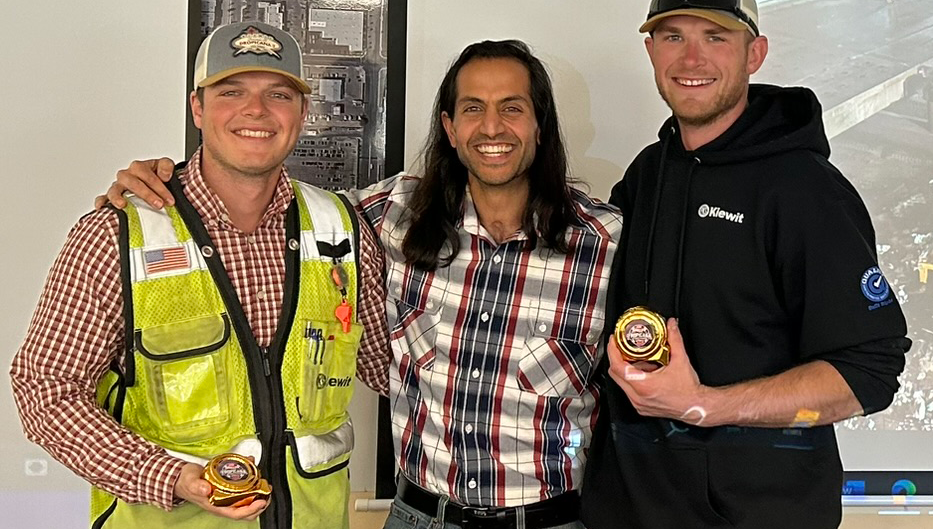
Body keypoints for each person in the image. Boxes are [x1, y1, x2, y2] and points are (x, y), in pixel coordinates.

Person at [101, 39, 623, 529]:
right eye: (471, 108)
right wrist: (163, 185)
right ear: (448, 125)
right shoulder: (388, 217)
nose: (492, 128)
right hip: (419, 514)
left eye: (512, 107)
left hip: (555, 517)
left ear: (540, 125)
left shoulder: (607, 242)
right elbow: (267, 202)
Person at [10, 21, 390, 529]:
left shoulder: (341, 229)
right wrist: (167, 475)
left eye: (278, 94)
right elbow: (45, 388)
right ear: (198, 108)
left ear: (302, 113)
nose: (256, 110)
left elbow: (393, 369)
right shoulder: (117, 235)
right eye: (231, 91)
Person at [580, 2, 911, 528]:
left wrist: (703, 404)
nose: (691, 57)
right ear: (650, 51)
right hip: (626, 511)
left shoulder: (805, 191)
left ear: (754, 54)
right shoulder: (647, 174)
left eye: (715, 37)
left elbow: (868, 372)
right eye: (671, 37)